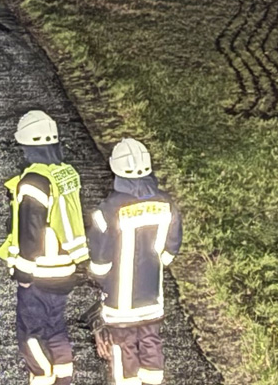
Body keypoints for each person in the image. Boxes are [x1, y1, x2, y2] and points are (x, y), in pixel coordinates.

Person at [0, 111, 89, 385]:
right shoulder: (64, 173)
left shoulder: (33, 181)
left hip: (40, 274)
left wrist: (23, 274)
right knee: (56, 329)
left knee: (30, 334)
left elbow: (30, 232)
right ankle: (63, 378)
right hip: (64, 272)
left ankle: (42, 375)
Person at [87, 139, 182, 385]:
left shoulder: (107, 210)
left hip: (120, 301)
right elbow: (172, 246)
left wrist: (99, 278)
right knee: (151, 339)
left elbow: (100, 257)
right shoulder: (166, 203)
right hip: (151, 296)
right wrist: (158, 264)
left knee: (123, 345)